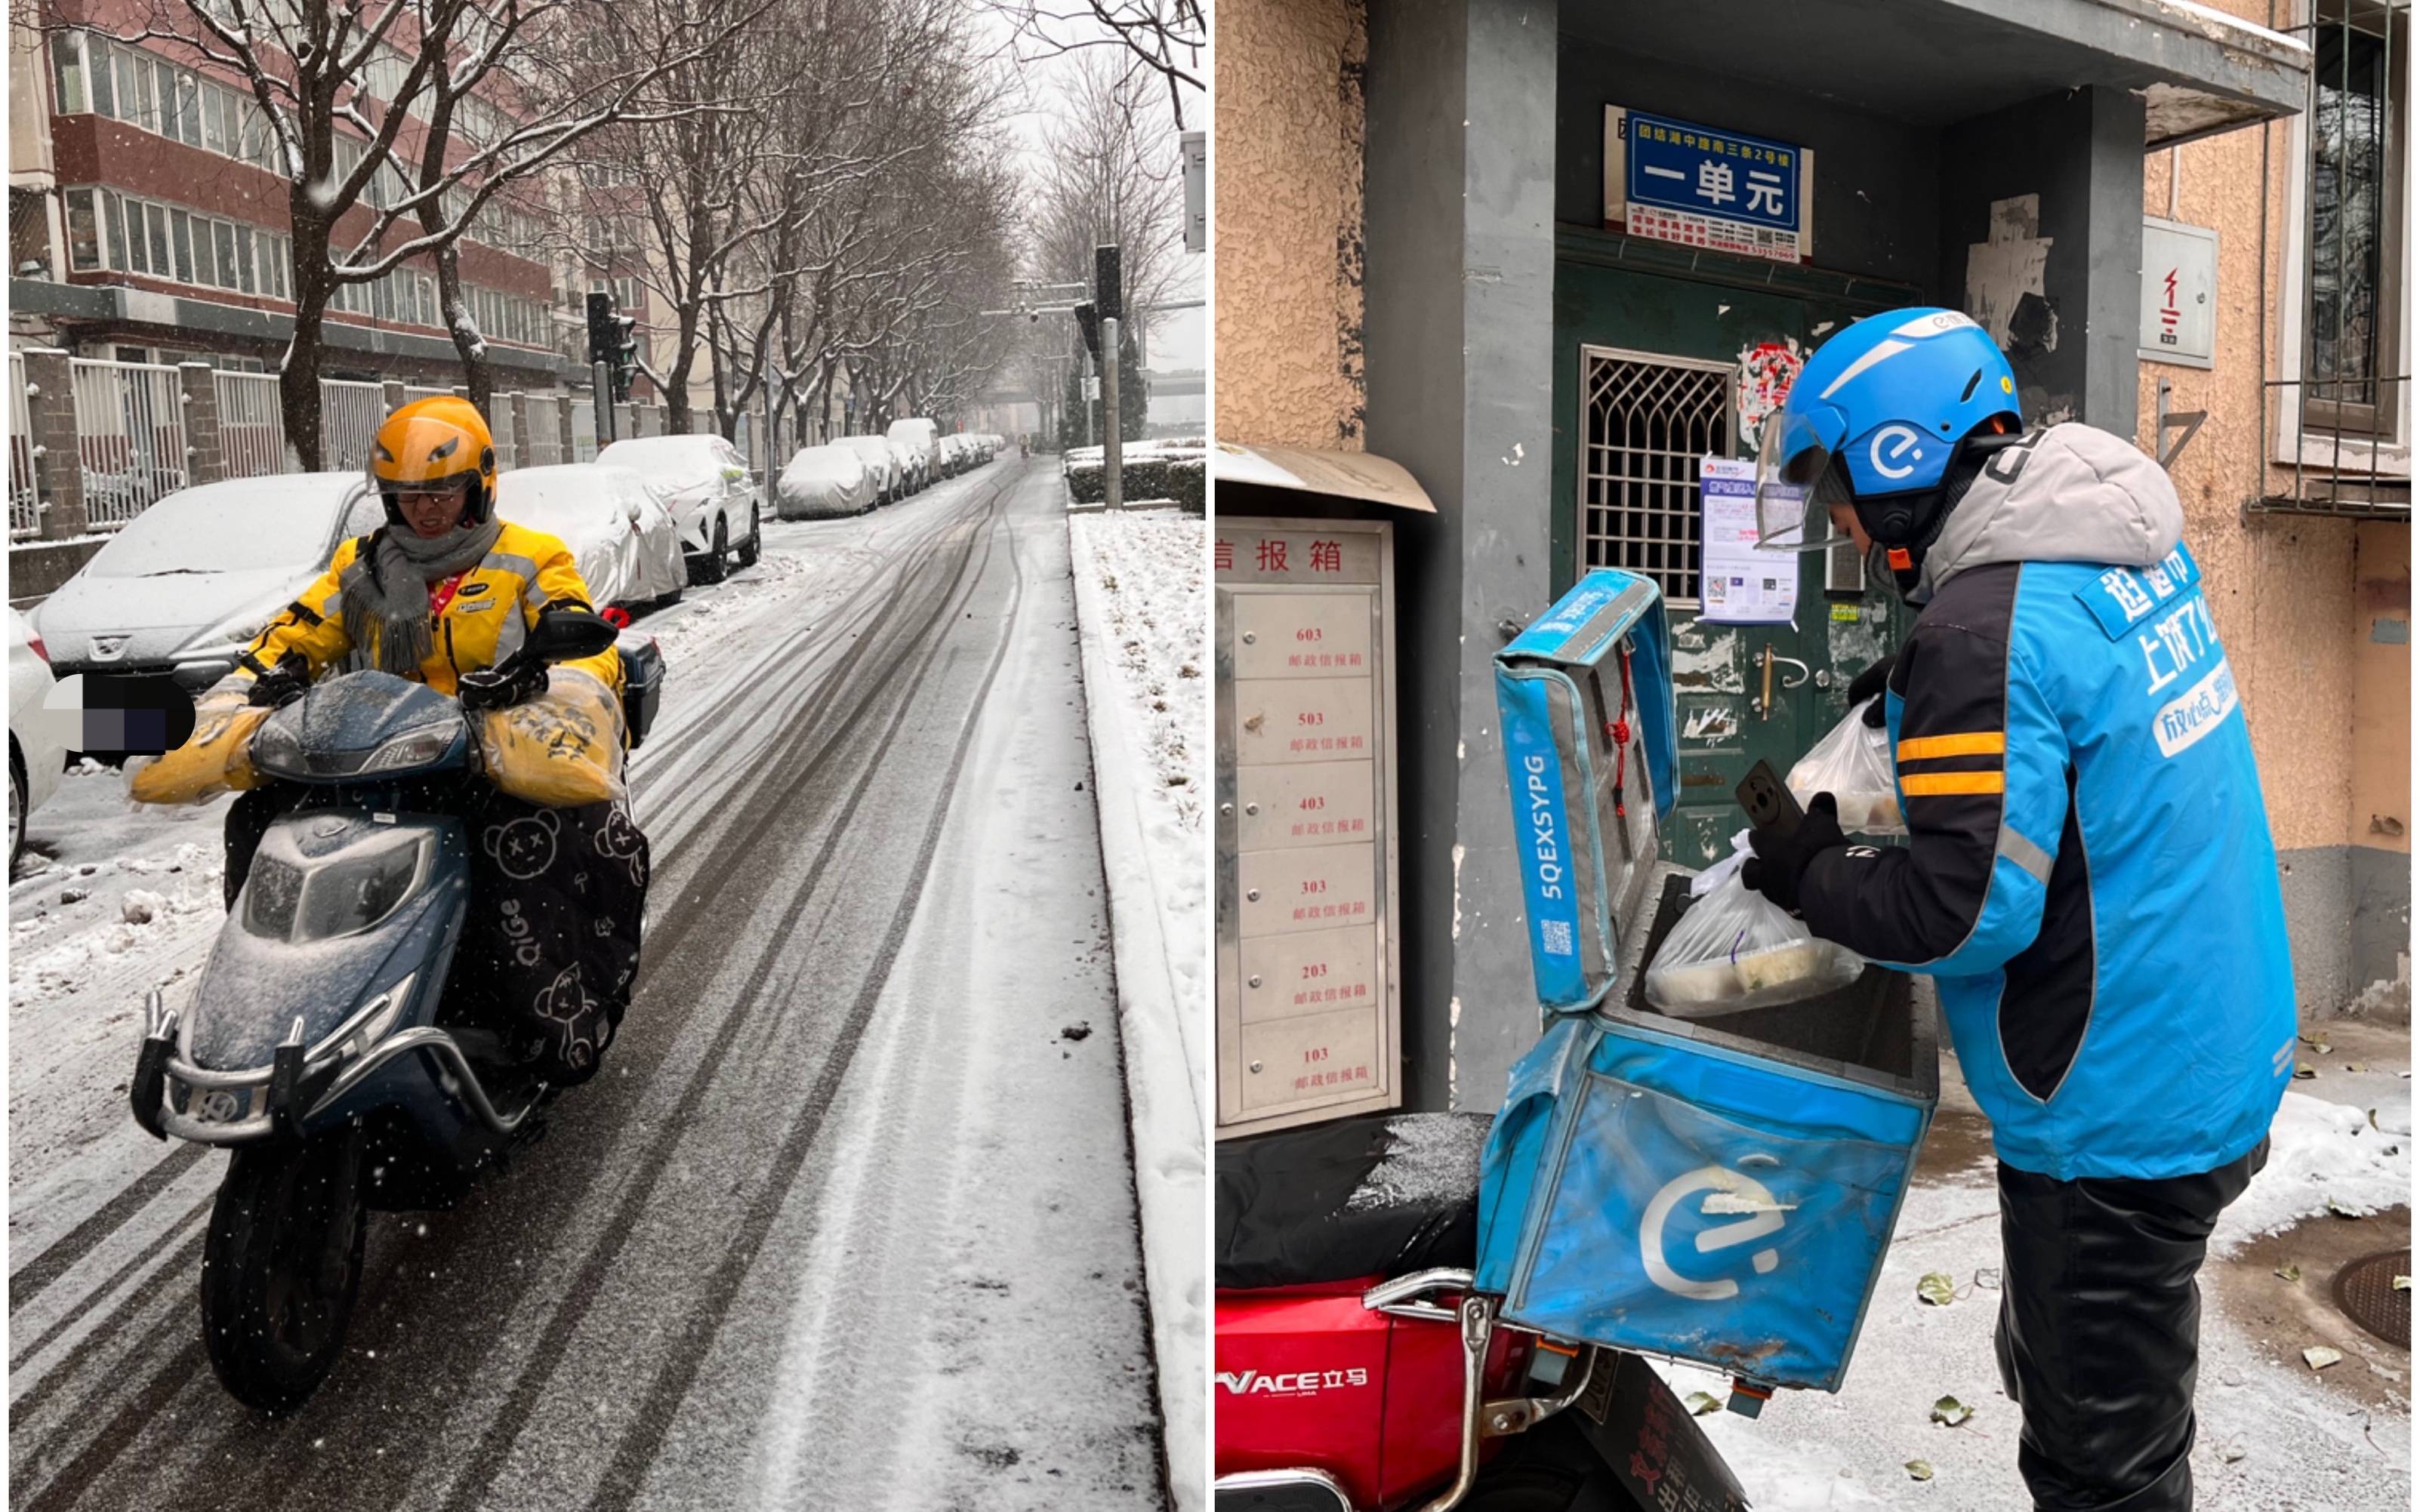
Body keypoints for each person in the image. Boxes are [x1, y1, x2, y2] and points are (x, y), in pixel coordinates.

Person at [1740, 309, 2293, 1512]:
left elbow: (1961, 914)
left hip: (2115, 1101)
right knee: (2090, 1373)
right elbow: (2081, 734)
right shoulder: (2116, 547)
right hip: (2215, 1041)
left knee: (2100, 1468)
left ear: (1895, 460)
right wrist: (1928, 707)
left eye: (1835, 485)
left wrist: (1806, 871)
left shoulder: (1979, 630)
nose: (1834, 519)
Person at [224, 395, 652, 1087]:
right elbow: (298, 630)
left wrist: (538, 676)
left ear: (479, 484)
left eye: (443, 490)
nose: (426, 509)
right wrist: (266, 673)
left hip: (494, 760)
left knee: (536, 848)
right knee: (255, 821)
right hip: (373, 761)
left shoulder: (530, 556)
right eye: (407, 494)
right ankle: (272, 1001)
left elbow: (581, 636)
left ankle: (543, 1019)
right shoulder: (359, 568)